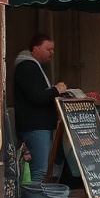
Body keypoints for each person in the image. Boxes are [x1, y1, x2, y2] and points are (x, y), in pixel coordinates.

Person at [13, 33, 67, 182]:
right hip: (35, 126)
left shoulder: (32, 66)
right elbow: (36, 97)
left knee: (38, 169)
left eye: (53, 49)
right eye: (48, 49)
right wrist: (56, 90)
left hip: (37, 126)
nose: (52, 53)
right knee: (39, 171)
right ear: (36, 49)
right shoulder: (27, 67)